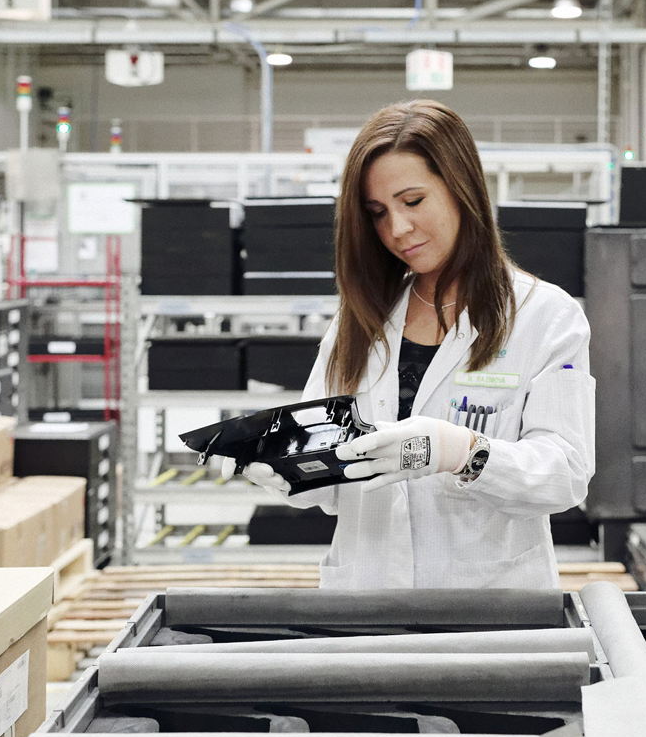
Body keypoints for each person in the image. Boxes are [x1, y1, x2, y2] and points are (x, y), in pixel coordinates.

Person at [227, 99, 595, 589]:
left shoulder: (544, 316)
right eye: (378, 213)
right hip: (369, 599)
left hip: (489, 611)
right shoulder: (359, 319)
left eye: (413, 201)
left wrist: (462, 452)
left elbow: (564, 474)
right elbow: (337, 485)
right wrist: (293, 468)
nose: (397, 230)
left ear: (461, 186)